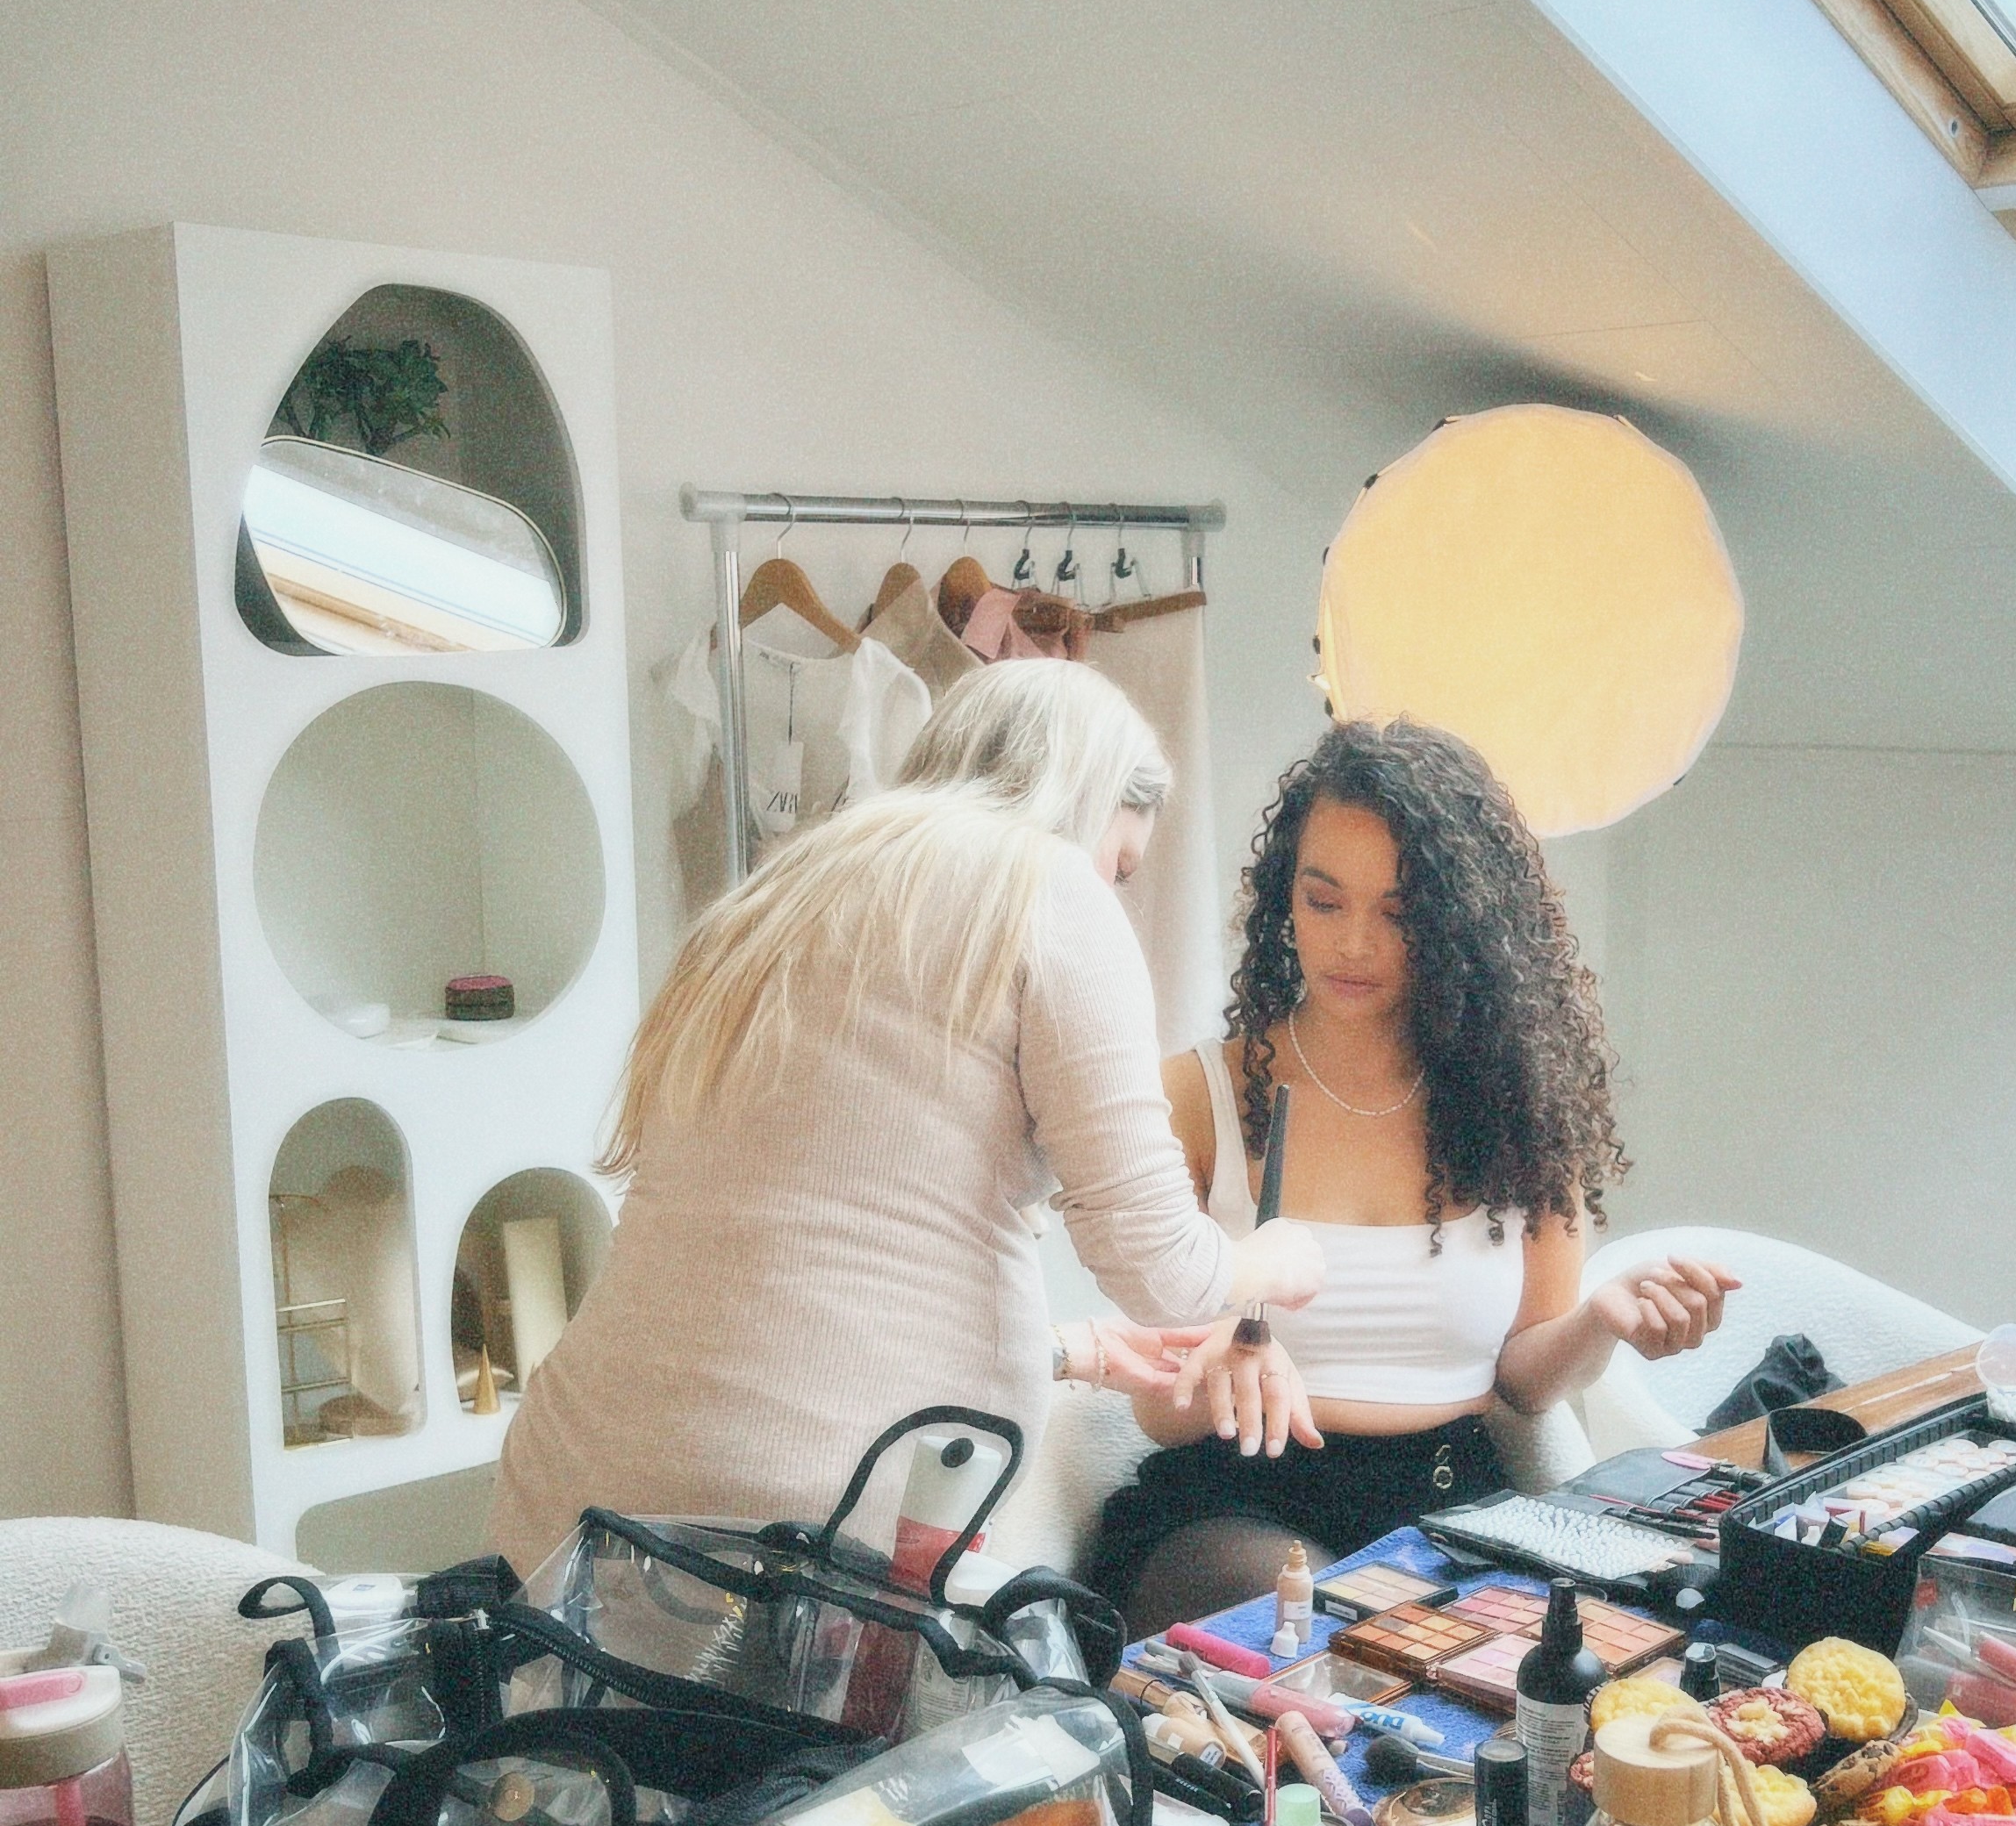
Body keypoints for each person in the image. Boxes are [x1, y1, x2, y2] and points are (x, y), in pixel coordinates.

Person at [491, 658, 1322, 1578]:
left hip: (578, 1494)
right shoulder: (1047, 890)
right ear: (1083, 799)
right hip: (807, 1535)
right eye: (1119, 864)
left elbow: (802, 1276)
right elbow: (1162, 1271)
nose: (1112, 889)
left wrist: (1070, 1353)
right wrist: (1268, 1261)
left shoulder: (786, 889)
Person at [1092, 717, 1736, 1634]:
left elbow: (1522, 1384)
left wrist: (1602, 1320)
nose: (1354, 943)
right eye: (1324, 902)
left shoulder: (1519, 1108)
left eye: (1398, 914)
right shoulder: (1200, 1097)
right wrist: (1213, 1362)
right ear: (1285, 901)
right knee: (1327, 1631)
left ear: (1464, 929)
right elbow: (1157, 1410)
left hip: (1448, 1506)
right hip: (1234, 1509)